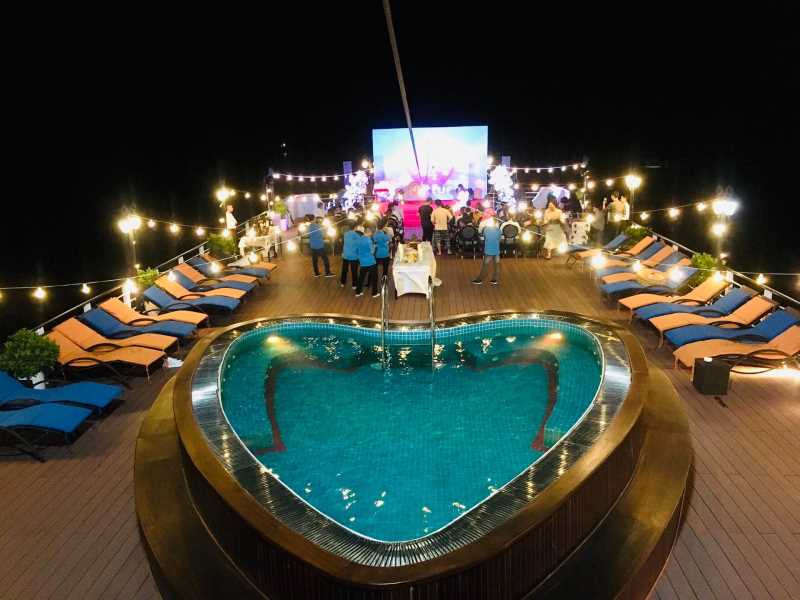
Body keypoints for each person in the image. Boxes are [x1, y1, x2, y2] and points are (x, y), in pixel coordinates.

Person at [472, 217, 501, 285]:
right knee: (496, 265)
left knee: (485, 266)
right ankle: (494, 280)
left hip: (488, 250)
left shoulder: (486, 229)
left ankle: (479, 279)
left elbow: (484, 236)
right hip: (496, 250)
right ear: (496, 223)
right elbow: (499, 238)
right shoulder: (498, 230)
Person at [355, 226, 379, 298]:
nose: (371, 234)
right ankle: (374, 293)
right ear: (369, 232)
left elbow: (357, 249)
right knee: (374, 278)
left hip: (362, 261)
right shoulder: (369, 240)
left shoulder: (359, 239)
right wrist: (374, 246)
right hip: (371, 261)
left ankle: (358, 292)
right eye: (371, 233)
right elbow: (372, 252)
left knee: (361, 278)